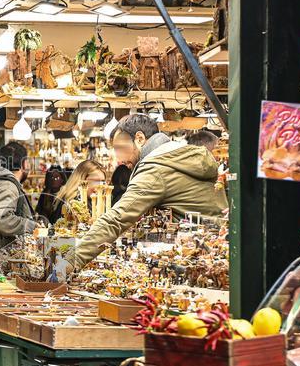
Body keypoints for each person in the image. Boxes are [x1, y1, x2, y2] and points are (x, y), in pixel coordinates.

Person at [64, 114, 227, 274]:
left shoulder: (156, 168)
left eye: (120, 148)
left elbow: (116, 220)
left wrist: (69, 262)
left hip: (196, 262)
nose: (119, 159)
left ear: (139, 138)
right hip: (215, 253)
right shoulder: (178, 155)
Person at [0, 141, 39, 250]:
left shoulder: (5, 182)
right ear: (24, 164)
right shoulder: (8, 186)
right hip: (2, 253)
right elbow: (0, 218)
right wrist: (31, 225)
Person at [52, 160, 108, 227]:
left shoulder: (97, 200)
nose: (100, 186)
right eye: (95, 181)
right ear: (82, 180)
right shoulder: (73, 202)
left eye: (102, 182)